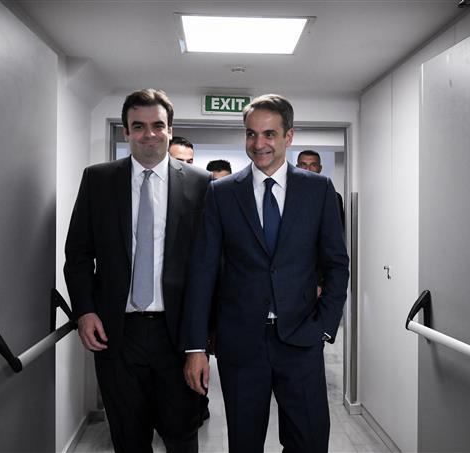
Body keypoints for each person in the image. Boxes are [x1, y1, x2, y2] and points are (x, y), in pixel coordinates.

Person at [181, 94, 349, 453]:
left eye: (269, 134)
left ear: (289, 136)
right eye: (251, 134)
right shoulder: (222, 193)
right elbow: (203, 271)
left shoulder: (318, 190)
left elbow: (337, 263)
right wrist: (196, 347)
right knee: (244, 443)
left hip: (301, 341)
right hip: (241, 344)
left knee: (310, 442)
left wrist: (324, 326)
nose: (259, 144)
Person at [64, 89, 210, 453]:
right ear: (126, 131)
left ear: (170, 129)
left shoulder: (201, 184)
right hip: (117, 336)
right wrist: (84, 311)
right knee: (128, 439)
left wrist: (202, 341)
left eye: (158, 125)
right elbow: (78, 254)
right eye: (139, 126)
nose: (149, 134)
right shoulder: (98, 180)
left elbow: (211, 267)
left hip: (177, 336)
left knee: (182, 436)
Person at [296, 149, 345, 228]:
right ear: (297, 167)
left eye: (313, 165)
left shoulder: (334, 197)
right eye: (303, 164)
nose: (308, 169)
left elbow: (338, 229)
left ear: (320, 168)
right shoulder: (286, 195)